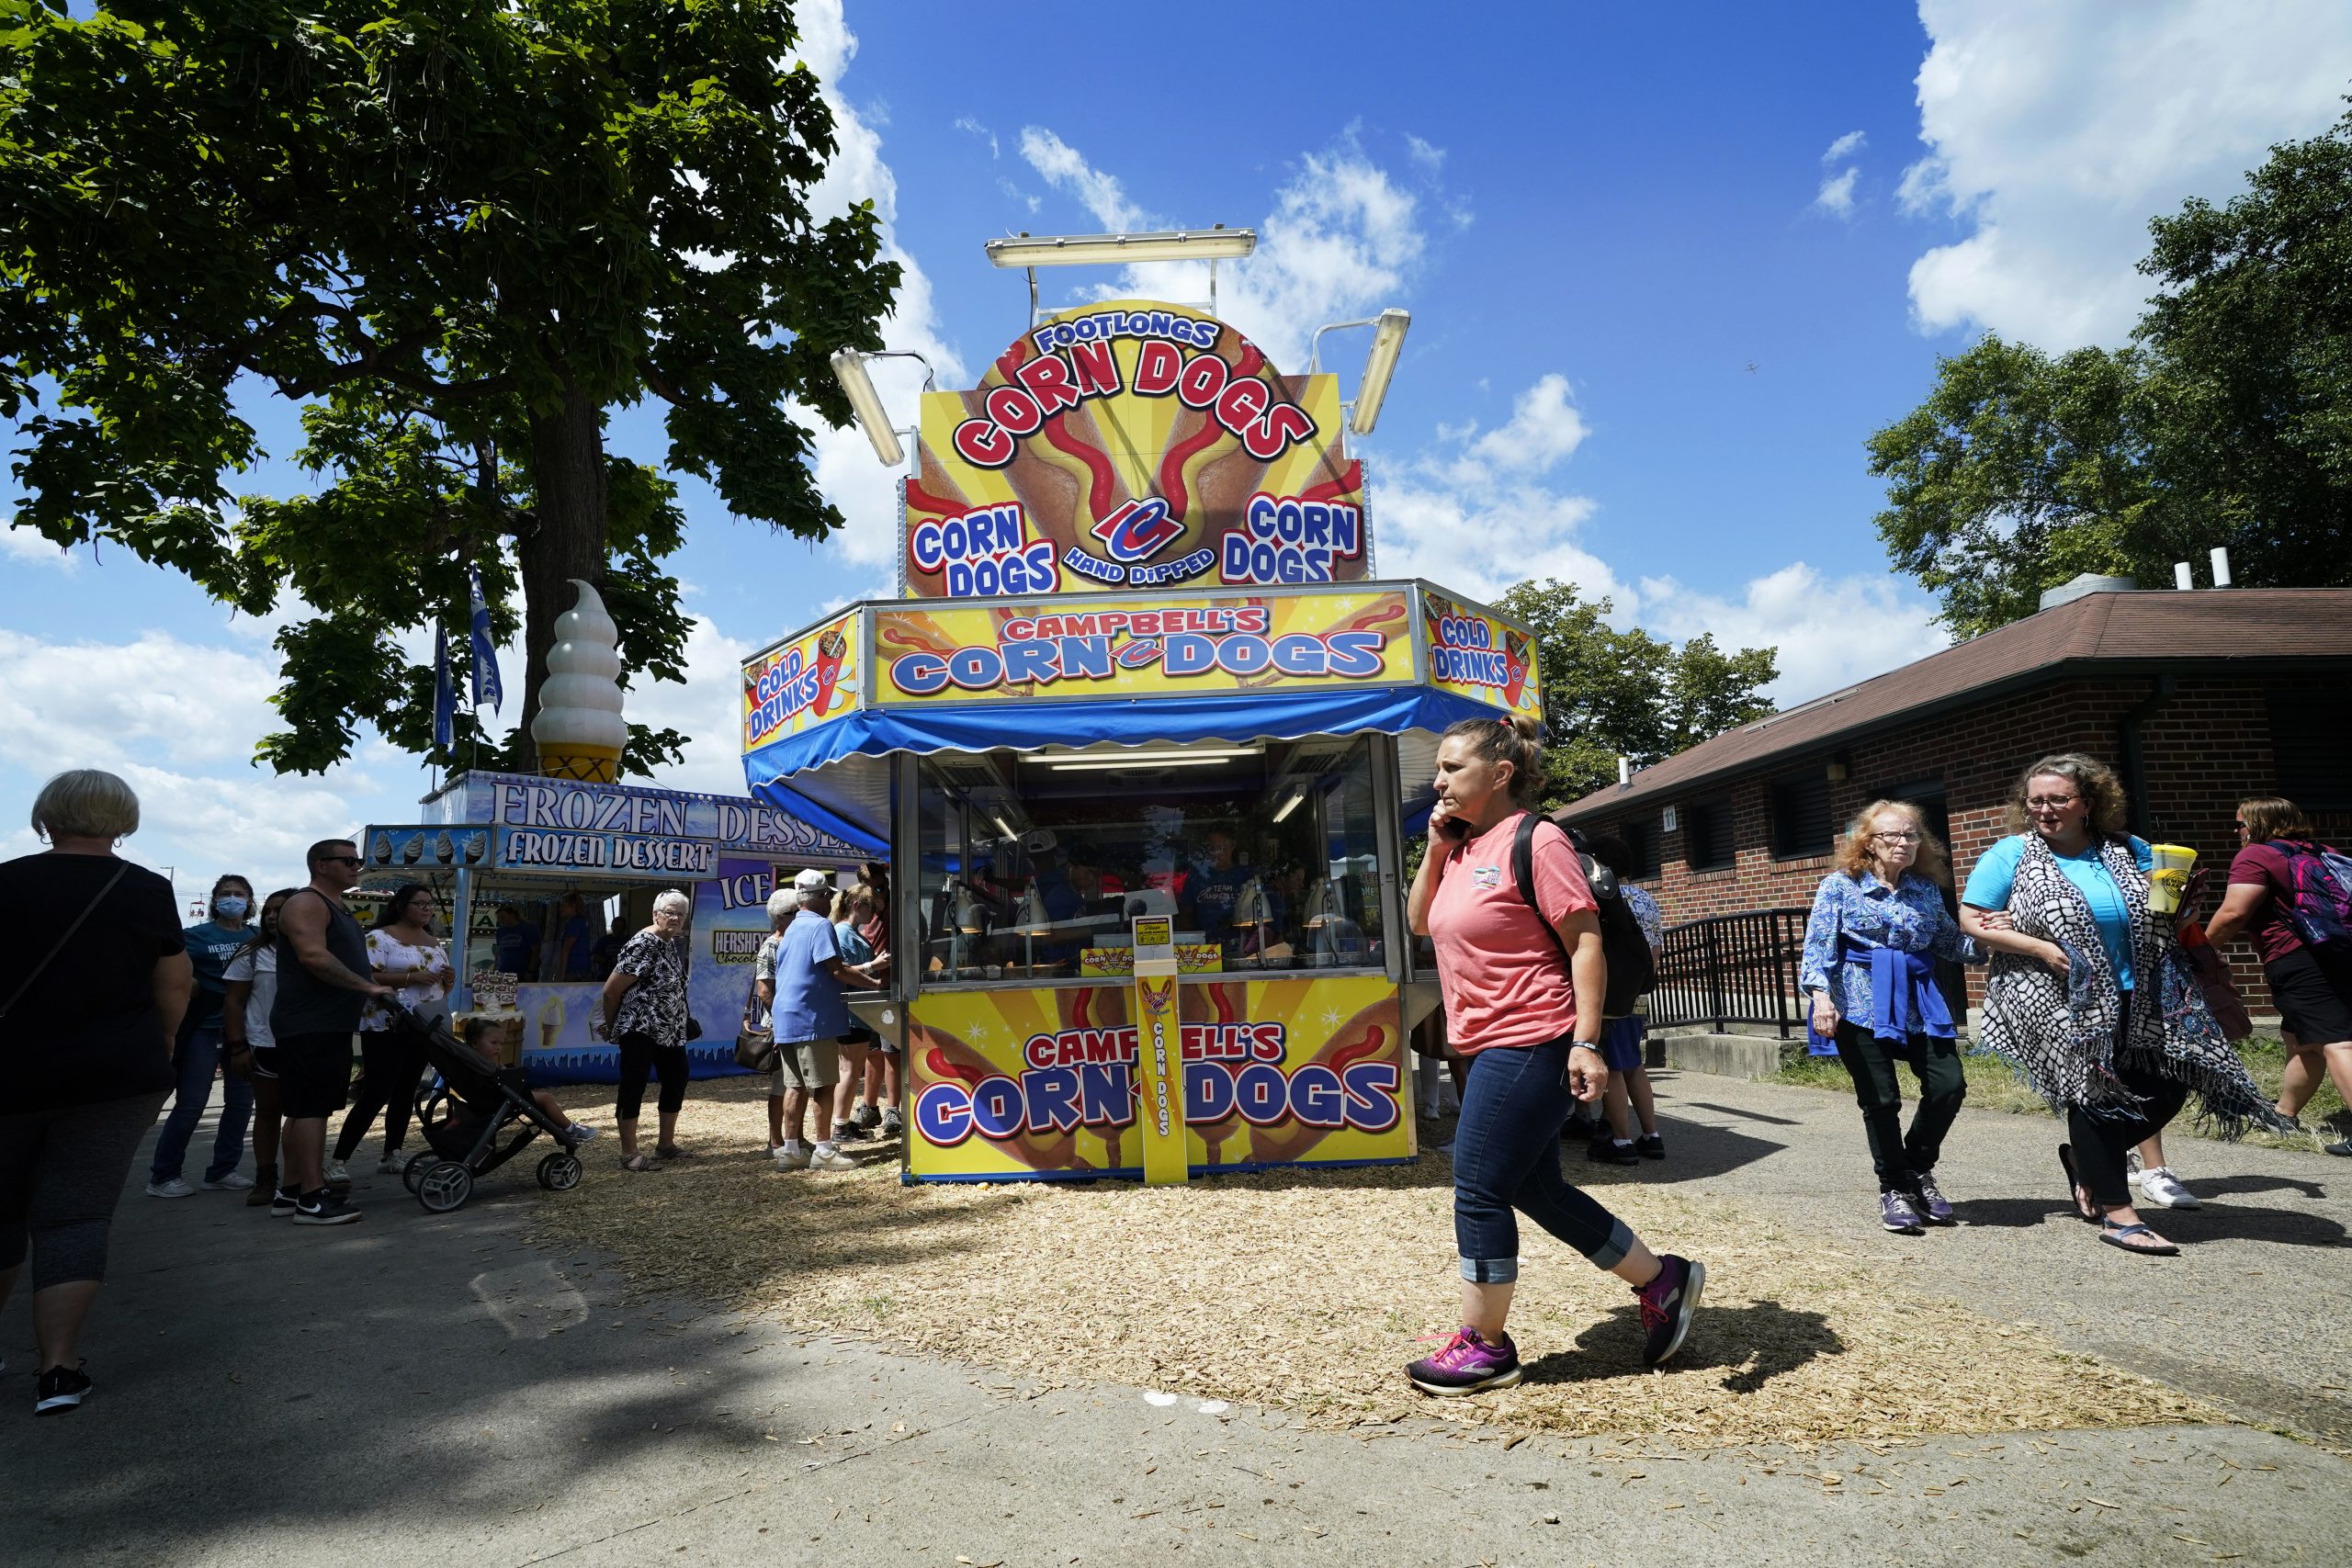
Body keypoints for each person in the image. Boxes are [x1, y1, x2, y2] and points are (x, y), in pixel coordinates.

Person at [1400, 716, 1703, 1394]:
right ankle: (1663, 1280)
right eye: (1439, 770)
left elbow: (1585, 944)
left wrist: (1588, 1042)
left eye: (1452, 767)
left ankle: (1485, 1345)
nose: (1438, 780)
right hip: (1490, 1041)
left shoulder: (1539, 842)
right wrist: (1434, 851)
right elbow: (1422, 920)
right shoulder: (1463, 847)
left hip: (1534, 1035)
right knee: (1535, 1187)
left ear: (1500, 773)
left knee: (1477, 1186)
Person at [1959, 754, 2285, 1257]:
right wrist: (2041, 947)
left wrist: (2184, 907)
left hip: (2143, 987)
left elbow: (2164, 913)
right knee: (2093, 1094)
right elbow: (1973, 918)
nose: (2045, 809)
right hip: (2055, 992)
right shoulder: (2011, 854)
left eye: (2058, 799)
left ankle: (2089, 1163)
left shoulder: (2126, 848)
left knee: (2174, 1080)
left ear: (2088, 803)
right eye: (2036, 800)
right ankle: (2119, 1214)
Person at [0, 770, 192, 1414]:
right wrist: (163, 1046)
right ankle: (57, 1368)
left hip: (11, 1072)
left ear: (46, 815)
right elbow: (174, 982)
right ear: (122, 820)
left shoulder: (8, 881)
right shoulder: (145, 890)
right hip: (115, 1074)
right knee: (75, 1214)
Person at [1800, 801, 1980, 1233]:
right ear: (1868, 844)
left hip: (1920, 1002)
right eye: (1891, 836)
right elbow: (1818, 946)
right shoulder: (1840, 886)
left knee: (1948, 1085)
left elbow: (1950, 943)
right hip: (1858, 1002)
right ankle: (1893, 1188)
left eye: (1912, 835)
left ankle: (1916, 1168)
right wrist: (1821, 997)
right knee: (1881, 1100)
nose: (1903, 843)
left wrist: (1998, 940)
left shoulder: (1925, 890)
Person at [2205, 795, 2352, 1157]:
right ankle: (2284, 1113)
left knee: (2337, 1042)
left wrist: (2201, 948)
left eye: (2240, 823)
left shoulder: (2256, 854)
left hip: (2297, 959)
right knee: (2301, 1039)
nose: (2236, 830)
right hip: (2339, 953)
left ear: (2256, 824)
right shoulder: (2320, 851)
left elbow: (2234, 912)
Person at [271, 840, 393, 1225]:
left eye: (358, 860)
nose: (357, 866)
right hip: (311, 1023)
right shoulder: (307, 902)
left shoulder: (337, 906)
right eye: (348, 860)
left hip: (326, 1023)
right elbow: (313, 956)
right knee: (312, 1111)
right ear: (321, 865)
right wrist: (368, 988)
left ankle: (290, 1192)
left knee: (302, 1111)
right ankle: (311, 1199)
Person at [144, 874, 258, 1197]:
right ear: (214, 900)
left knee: (240, 1105)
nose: (232, 899)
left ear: (250, 901)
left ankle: (223, 1170)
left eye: (239, 894)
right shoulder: (193, 937)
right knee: (191, 1104)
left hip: (246, 1032)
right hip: (204, 1030)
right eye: (225, 894)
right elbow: (168, 973)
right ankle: (163, 1176)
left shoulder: (258, 937)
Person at [331, 883, 452, 1182]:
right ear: (401, 906)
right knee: (377, 1091)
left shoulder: (434, 942)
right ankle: (337, 1160)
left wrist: (449, 978)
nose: (426, 909)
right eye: (419, 903)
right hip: (385, 1022)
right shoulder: (379, 938)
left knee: (405, 1090)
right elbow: (367, 976)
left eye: (429, 904)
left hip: (422, 1024)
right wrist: (412, 977)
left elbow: (439, 986)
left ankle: (393, 1153)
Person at [765, 872, 883, 1171]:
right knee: (824, 1085)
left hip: (786, 1017)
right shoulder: (821, 925)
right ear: (819, 898)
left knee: (794, 1086)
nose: (831, 900)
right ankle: (824, 1150)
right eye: (827, 895)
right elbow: (836, 969)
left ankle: (791, 1149)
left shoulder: (790, 929)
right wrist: (874, 984)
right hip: (812, 1017)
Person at [1581, 834, 1668, 1166]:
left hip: (1611, 995)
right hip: (1639, 993)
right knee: (1634, 1064)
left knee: (1613, 1068)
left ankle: (1621, 1140)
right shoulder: (1646, 900)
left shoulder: (1604, 898)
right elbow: (1655, 950)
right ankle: (1652, 1135)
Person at [599, 890, 694, 1171]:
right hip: (640, 1027)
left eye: (680, 914)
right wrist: (614, 1025)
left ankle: (665, 1146)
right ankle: (629, 1153)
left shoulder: (668, 943)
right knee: (634, 1084)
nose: (675, 918)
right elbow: (610, 991)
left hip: (670, 1030)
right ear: (655, 914)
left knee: (677, 1078)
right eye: (669, 912)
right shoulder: (644, 943)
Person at [221, 889, 299, 1209]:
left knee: (303, 1115)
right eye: (268, 910)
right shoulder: (251, 954)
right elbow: (233, 1001)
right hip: (264, 1044)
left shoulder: (313, 951)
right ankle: (266, 1178)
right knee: (268, 1112)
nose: (270, 916)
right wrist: (238, 1047)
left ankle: (300, 1179)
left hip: (304, 1044)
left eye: (279, 910)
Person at [830, 885, 880, 1143]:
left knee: (850, 1069)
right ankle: (840, 1127)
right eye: (870, 907)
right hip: (851, 1011)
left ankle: (843, 1123)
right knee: (849, 1070)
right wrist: (874, 966)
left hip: (857, 1011)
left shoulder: (850, 933)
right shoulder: (843, 933)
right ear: (856, 905)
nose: (873, 913)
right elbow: (843, 971)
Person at [855, 863, 902, 1137]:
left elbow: (883, 902)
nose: (876, 891)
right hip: (868, 984)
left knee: (891, 1049)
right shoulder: (862, 908)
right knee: (872, 1051)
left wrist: (881, 889)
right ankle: (869, 1106)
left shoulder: (889, 902)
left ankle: (893, 1107)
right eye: (871, 886)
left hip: (888, 985)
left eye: (880, 884)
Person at [492, 905, 541, 980]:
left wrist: (530, 971)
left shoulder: (528, 928)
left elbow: (536, 951)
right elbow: (499, 952)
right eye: (498, 918)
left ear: (512, 915)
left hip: (523, 973)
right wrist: (495, 971)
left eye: (503, 917)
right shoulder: (500, 931)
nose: (500, 920)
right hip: (504, 972)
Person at [554, 892, 594, 980]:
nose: (560, 909)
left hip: (575, 970)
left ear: (573, 906)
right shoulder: (580, 920)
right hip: (581, 968)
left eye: (563, 906)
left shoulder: (575, 923)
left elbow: (566, 950)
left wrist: (561, 976)